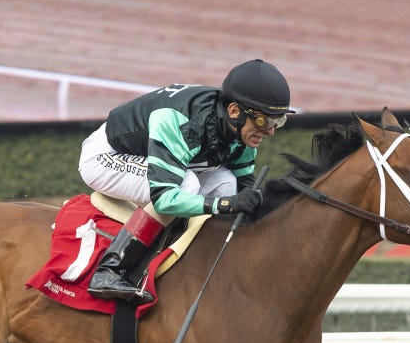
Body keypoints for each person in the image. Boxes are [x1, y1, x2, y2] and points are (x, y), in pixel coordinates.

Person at [79, 58, 294, 303]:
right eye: (265, 121)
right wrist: (224, 205)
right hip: (106, 156)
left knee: (226, 182)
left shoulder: (242, 130)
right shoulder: (181, 122)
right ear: (235, 111)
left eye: (279, 121)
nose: (271, 131)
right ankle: (109, 270)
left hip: (164, 154)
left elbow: (243, 191)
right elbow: (165, 199)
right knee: (186, 185)